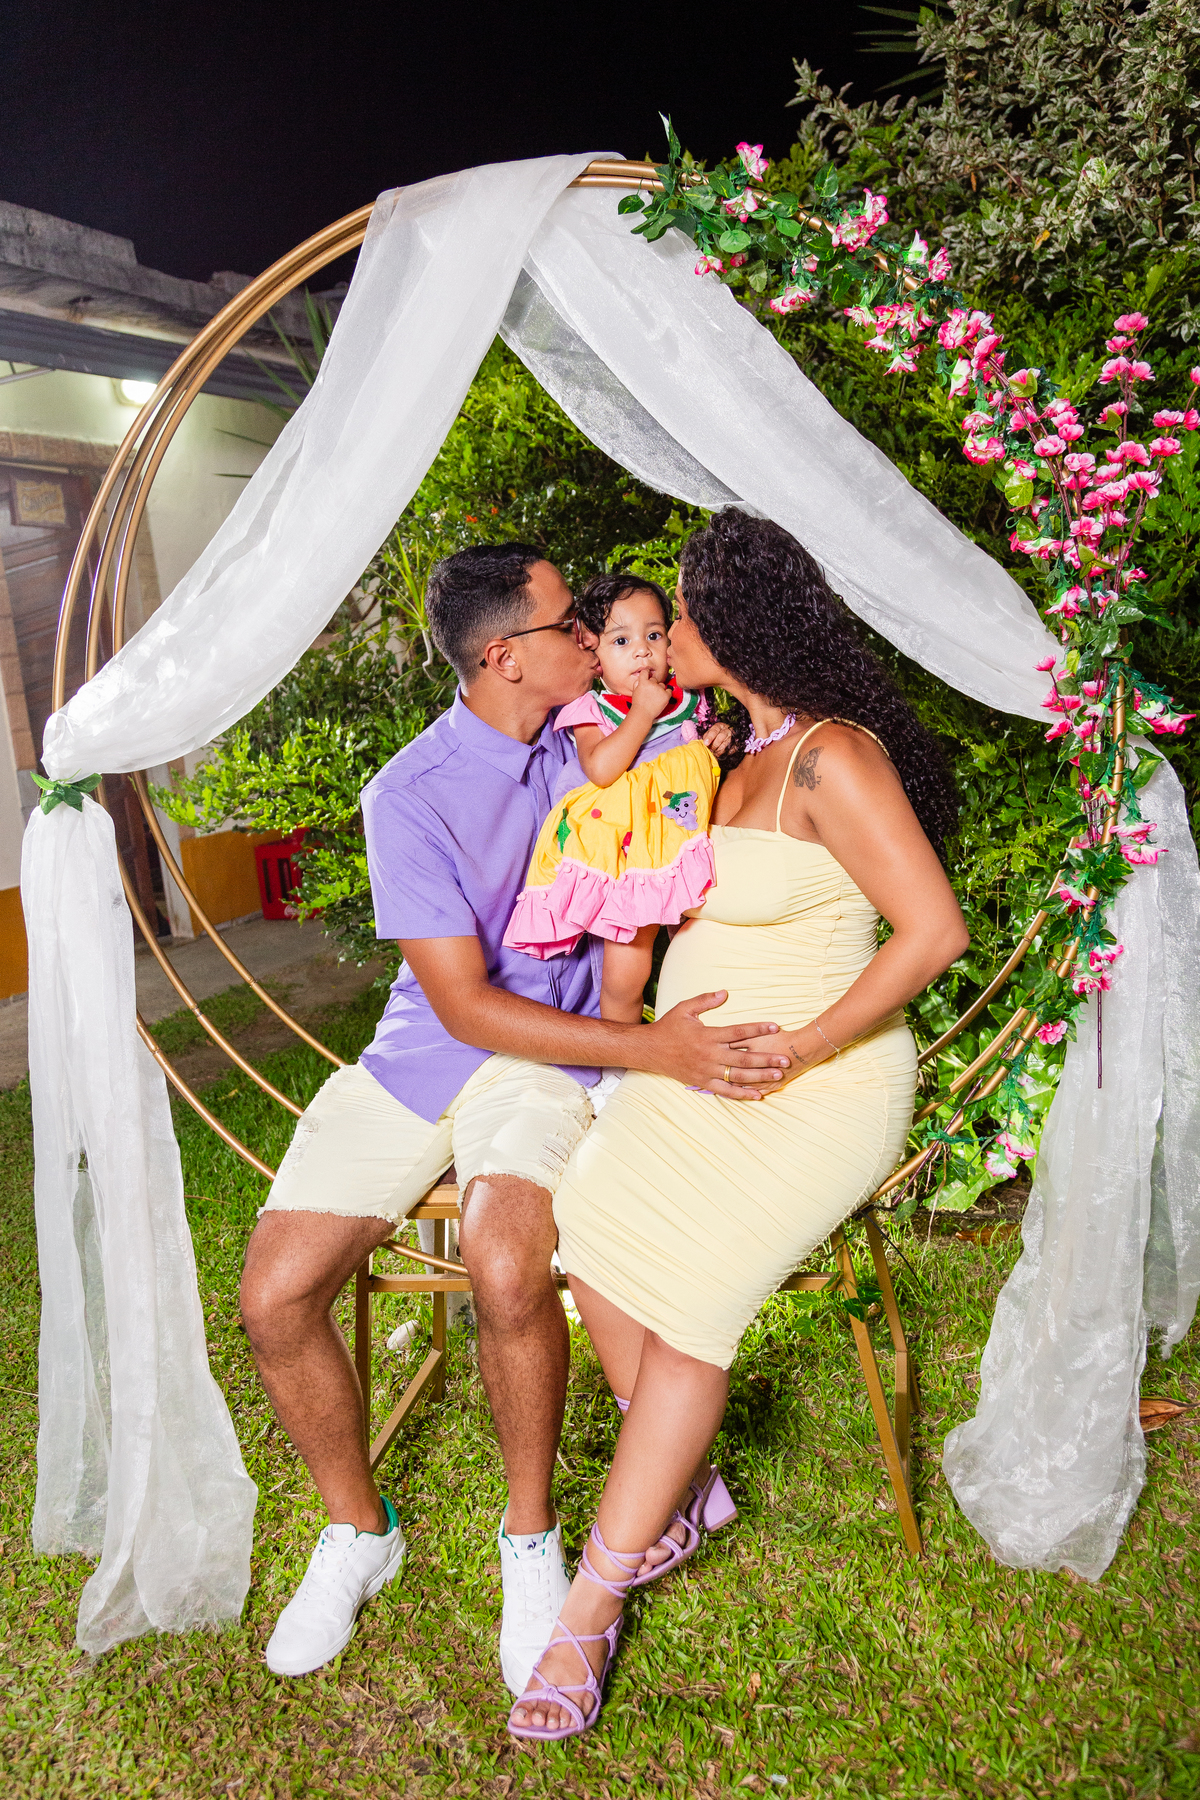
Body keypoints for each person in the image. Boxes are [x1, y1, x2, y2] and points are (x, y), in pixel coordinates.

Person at [237, 542, 791, 1690]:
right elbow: (461, 1004)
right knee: (274, 1294)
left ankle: (530, 1539)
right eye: (568, 624)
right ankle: (359, 1529)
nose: (592, 636)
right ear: (505, 658)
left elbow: (736, 766)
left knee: (503, 1263)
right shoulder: (408, 794)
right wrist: (653, 1048)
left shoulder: (602, 739)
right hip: (426, 1053)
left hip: (548, 1064)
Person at [508, 509, 969, 1741]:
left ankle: (591, 1606)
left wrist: (801, 1046)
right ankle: (686, 1483)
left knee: (692, 1313)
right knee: (585, 1226)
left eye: (685, 615)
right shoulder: (732, 750)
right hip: (701, 1074)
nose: (667, 637)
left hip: (813, 1087)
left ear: (737, 621)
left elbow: (934, 932)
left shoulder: (831, 758)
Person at [504, 573, 732, 1022]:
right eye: (622, 641)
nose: (642, 651)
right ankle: (622, 1046)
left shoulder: (689, 696)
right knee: (629, 965)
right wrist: (642, 712)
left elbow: (694, 759)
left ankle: (707, 1025)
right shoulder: (594, 710)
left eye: (654, 635)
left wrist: (715, 739)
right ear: (595, 656)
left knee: (699, 944)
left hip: (685, 840)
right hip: (630, 854)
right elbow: (602, 768)